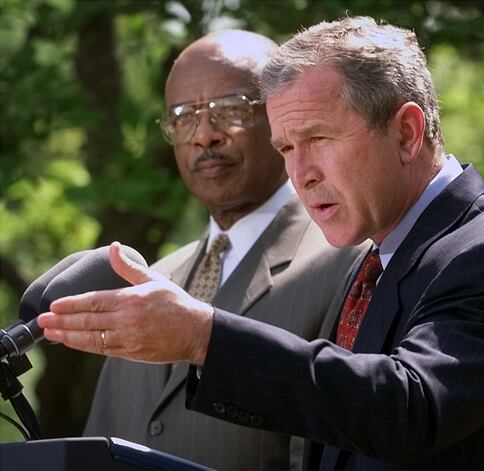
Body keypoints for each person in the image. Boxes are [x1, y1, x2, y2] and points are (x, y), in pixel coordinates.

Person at [39, 16, 484, 470]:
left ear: (406, 132)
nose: (299, 173)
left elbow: (406, 410)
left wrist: (204, 336)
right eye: (286, 148)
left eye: (318, 138)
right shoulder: (382, 259)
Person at [81, 29, 367, 471]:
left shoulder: (348, 259)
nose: (204, 135)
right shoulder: (143, 282)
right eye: (182, 117)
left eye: (229, 110)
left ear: (280, 118)